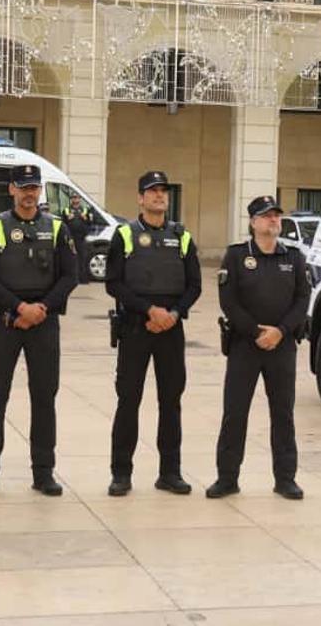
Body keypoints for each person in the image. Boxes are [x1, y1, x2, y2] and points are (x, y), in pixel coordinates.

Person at [0, 164, 79, 498]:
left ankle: (43, 473)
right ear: (12, 190)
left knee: (44, 398)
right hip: (5, 322)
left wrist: (40, 308)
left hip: (43, 322)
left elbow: (70, 276)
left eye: (34, 187)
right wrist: (19, 308)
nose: (29, 193)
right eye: (23, 187)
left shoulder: (57, 228)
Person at [106, 170, 202, 496]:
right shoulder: (124, 235)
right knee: (128, 401)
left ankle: (170, 473)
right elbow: (114, 283)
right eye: (152, 191)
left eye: (163, 191)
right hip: (136, 327)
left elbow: (195, 285)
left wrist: (172, 314)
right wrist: (149, 311)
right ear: (140, 198)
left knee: (170, 402)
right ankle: (121, 474)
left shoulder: (182, 236)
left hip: (171, 330)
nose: (160, 195)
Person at [207, 196, 309, 500]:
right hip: (245, 346)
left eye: (276, 215)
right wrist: (255, 332)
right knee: (235, 413)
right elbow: (229, 301)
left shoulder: (294, 257)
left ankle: (285, 479)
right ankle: (227, 478)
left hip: (282, 346)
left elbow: (302, 300)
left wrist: (280, 331)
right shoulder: (237, 256)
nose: (274, 220)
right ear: (253, 223)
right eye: (266, 216)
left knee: (283, 414)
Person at [63, 193, 94, 283]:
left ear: (80, 199)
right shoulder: (66, 210)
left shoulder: (85, 210)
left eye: (77, 198)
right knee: (71, 257)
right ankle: (72, 278)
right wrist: (68, 218)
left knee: (82, 258)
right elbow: (62, 223)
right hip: (71, 237)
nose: (75, 200)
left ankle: (82, 278)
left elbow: (90, 222)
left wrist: (85, 218)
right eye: (73, 198)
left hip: (81, 237)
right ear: (71, 199)